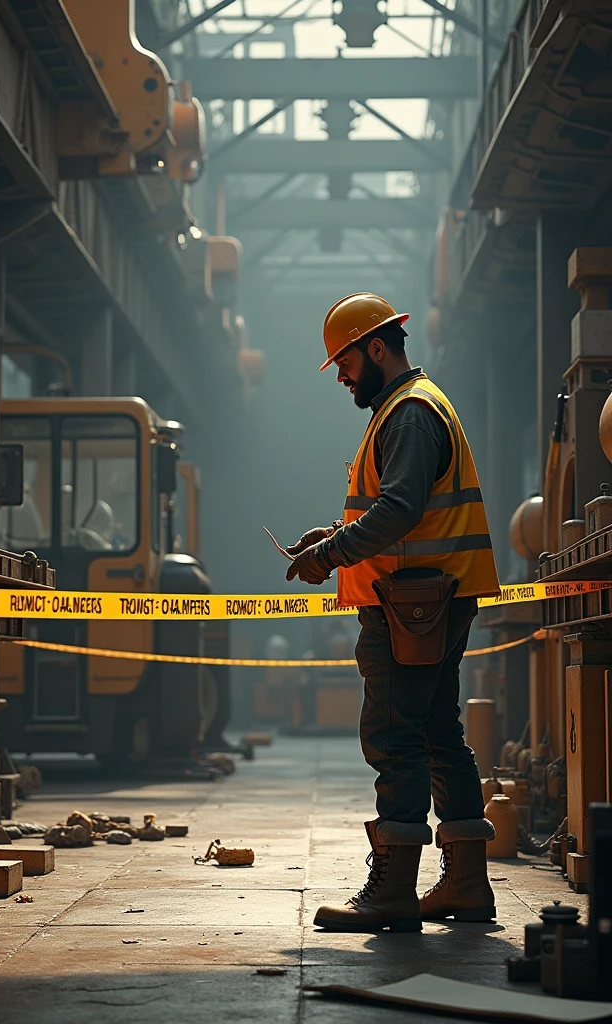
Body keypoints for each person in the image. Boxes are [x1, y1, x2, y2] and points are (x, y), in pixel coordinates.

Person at [285, 293, 501, 933]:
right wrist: (333, 535)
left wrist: (332, 554)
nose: (343, 376)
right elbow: (402, 509)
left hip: (413, 605)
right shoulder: (412, 409)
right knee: (436, 730)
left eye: (345, 362)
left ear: (377, 347)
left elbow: (402, 510)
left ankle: (394, 890)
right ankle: (466, 883)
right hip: (431, 597)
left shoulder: (407, 415)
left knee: (394, 734)